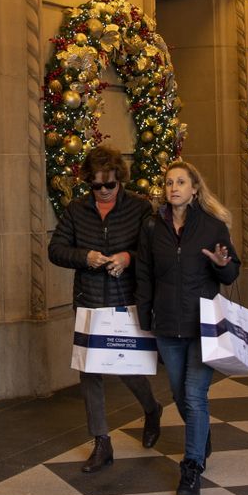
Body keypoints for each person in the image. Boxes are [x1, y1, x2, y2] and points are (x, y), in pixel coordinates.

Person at [48, 144, 161, 473]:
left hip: (127, 299)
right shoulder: (76, 210)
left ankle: (151, 408)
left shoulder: (139, 209)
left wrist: (127, 258)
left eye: (109, 185)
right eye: (95, 186)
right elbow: (56, 250)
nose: (102, 192)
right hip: (89, 300)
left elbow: (153, 252)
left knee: (127, 367)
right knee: (91, 371)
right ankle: (102, 442)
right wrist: (86, 257)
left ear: (119, 180)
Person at [135, 160, 239, 495]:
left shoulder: (212, 227)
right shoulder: (152, 227)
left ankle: (192, 466)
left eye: (181, 182)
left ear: (194, 188)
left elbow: (230, 273)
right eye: (168, 182)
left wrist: (223, 265)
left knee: (195, 396)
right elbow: (145, 274)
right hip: (166, 324)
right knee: (180, 395)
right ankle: (201, 431)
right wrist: (145, 316)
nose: (173, 187)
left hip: (202, 325)